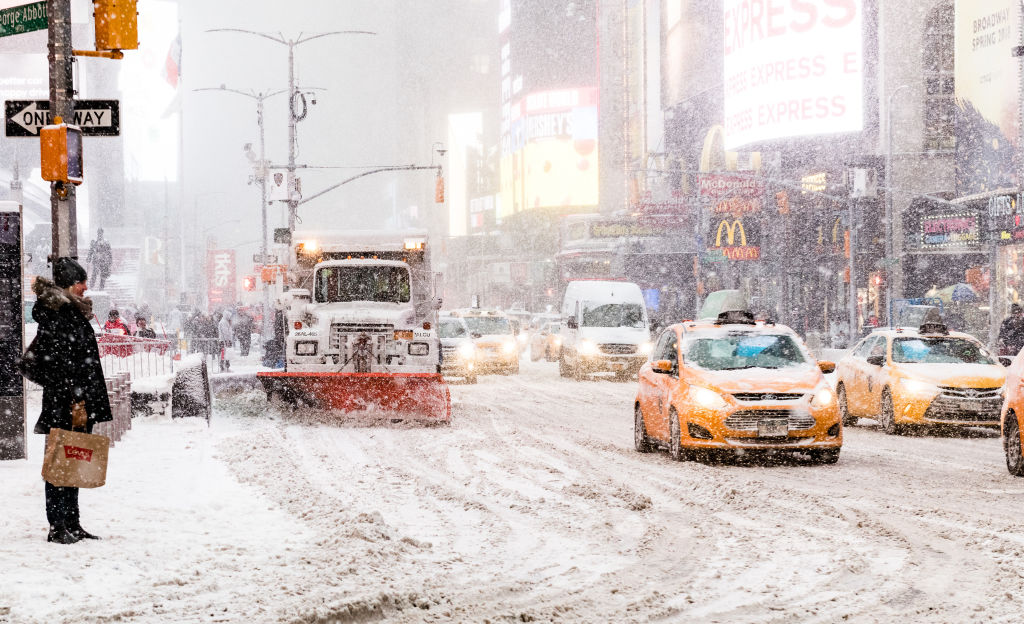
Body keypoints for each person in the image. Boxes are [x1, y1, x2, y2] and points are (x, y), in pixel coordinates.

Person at [28, 258, 112, 544]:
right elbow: (61, 363)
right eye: (80, 282)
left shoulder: (70, 311)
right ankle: (57, 525)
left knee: (73, 457)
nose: (85, 287)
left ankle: (72, 522)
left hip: (75, 398)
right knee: (58, 462)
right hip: (67, 400)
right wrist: (76, 396)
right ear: (67, 285)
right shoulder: (58, 314)